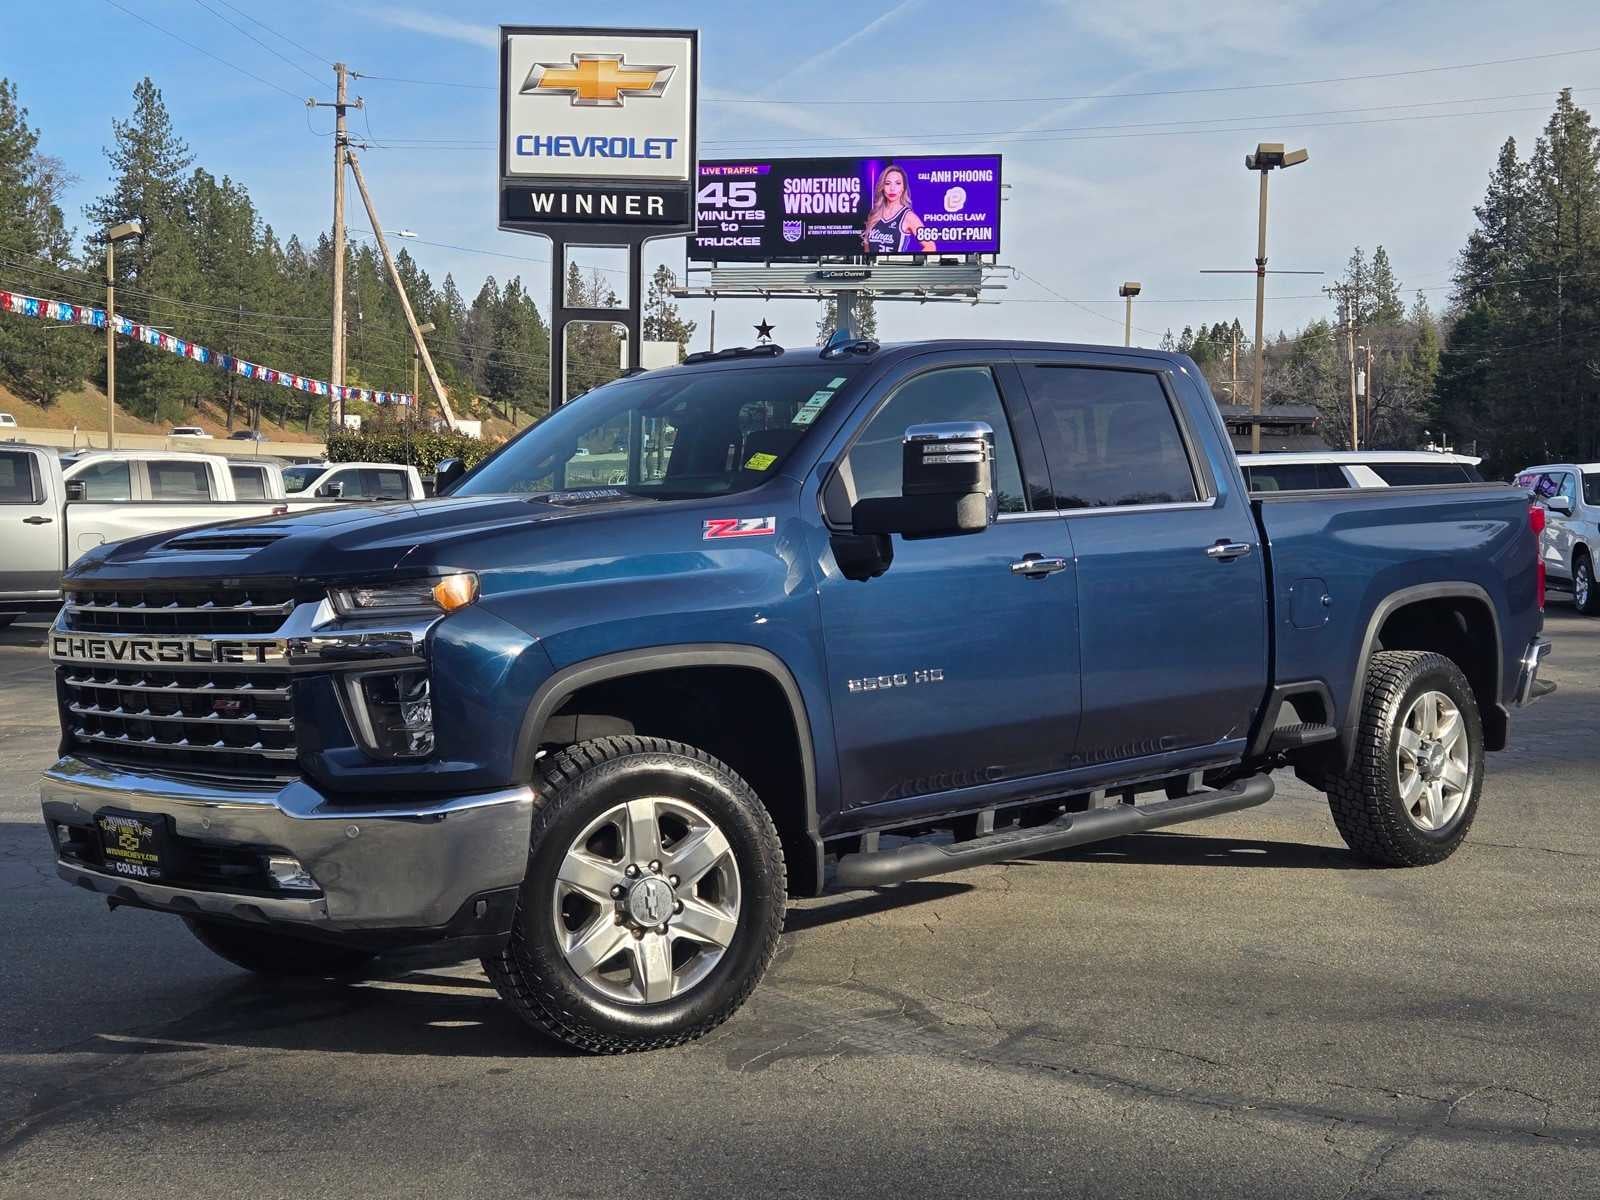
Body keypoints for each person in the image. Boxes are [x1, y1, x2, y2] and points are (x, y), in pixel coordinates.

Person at [860, 164, 937, 255]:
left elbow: (930, 246)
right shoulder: (875, 214)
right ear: (882, 187)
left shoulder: (908, 216)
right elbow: (867, 249)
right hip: (875, 268)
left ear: (903, 187)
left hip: (896, 268)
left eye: (898, 183)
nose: (892, 188)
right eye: (887, 183)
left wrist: (906, 263)